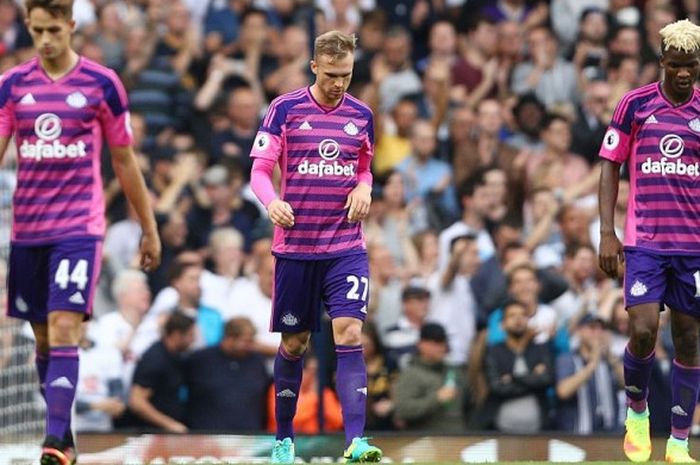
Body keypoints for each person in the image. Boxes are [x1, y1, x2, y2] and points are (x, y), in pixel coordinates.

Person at [0, 1, 161, 464]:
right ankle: (63, 433)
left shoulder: (101, 84)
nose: (46, 40)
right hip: (28, 230)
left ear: (71, 26)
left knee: (65, 324)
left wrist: (147, 227)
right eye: (37, 31)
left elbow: (125, 160)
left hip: (79, 227)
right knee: (43, 340)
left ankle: (52, 442)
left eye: (54, 30)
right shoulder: (13, 85)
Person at [249, 30, 382, 463]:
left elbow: (365, 169)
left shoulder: (362, 115)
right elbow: (259, 172)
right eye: (330, 74)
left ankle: (355, 442)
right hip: (296, 248)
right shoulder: (284, 109)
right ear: (313, 67)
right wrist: (273, 203)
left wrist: (364, 188)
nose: (338, 83)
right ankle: (284, 440)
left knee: (350, 331)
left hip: (345, 246)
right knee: (295, 344)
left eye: (346, 74)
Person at [598, 19, 700, 463]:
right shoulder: (635, 105)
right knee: (642, 332)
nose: (683, 73)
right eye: (675, 65)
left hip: (693, 247)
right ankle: (637, 412)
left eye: (691, 65)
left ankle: (679, 441)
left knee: (691, 339)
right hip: (645, 242)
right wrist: (606, 230)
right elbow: (609, 164)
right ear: (662, 62)